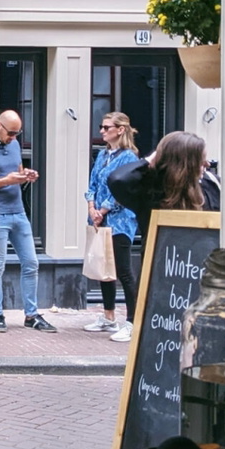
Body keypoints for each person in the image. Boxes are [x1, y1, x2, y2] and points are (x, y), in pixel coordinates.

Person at [107, 132, 221, 346]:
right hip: (163, 282)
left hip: (202, 279)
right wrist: (152, 159)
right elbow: (117, 179)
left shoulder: (210, 185)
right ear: (186, 162)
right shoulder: (150, 190)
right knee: (162, 343)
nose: (207, 163)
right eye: (201, 158)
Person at [0, 110, 53, 333]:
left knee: (31, 263)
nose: (14, 138)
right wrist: (6, 181)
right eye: (11, 133)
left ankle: (31, 314)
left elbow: (16, 171)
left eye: (18, 134)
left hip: (19, 212)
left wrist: (26, 175)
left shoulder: (15, 145)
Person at [83, 111, 141, 340]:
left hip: (120, 221)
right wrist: (91, 208)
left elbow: (125, 189)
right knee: (102, 267)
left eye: (107, 127)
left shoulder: (130, 157)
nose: (102, 131)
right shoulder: (102, 155)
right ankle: (108, 317)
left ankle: (132, 322)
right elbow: (93, 182)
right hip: (99, 218)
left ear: (121, 130)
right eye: (101, 127)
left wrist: (104, 209)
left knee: (123, 271)